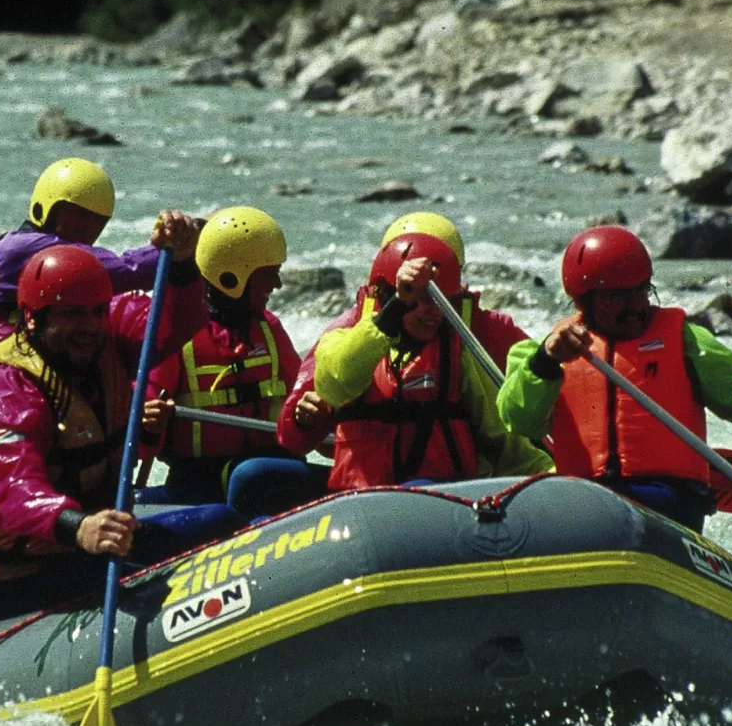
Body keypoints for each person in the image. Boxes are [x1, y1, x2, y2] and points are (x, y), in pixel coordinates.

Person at [0, 215, 248, 618]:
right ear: (33, 317)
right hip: (1, 569)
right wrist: (79, 526)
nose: (89, 327)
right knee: (148, 592)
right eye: (72, 315)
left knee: (221, 523)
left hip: (86, 541)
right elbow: (11, 488)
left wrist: (184, 262)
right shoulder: (4, 385)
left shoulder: (107, 343)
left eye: (98, 312)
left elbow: (175, 325)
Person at [496, 224, 732, 532]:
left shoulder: (687, 341)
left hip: (668, 500)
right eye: (616, 297)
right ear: (582, 301)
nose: (635, 307)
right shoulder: (547, 353)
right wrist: (545, 362)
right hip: (583, 500)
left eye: (641, 290)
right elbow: (518, 421)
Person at [0, 157, 165, 480]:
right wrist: (185, 250)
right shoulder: (27, 250)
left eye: (94, 223)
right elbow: (125, 270)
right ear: (45, 210)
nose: (83, 231)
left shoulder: (14, 245)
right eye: (74, 218)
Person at [278, 212, 530, 460]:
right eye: (417, 288)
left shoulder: (481, 328)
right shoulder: (349, 329)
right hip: (370, 480)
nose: (432, 308)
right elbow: (291, 435)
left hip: (458, 480)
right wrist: (308, 420)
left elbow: (509, 432)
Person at [312, 233, 553, 490]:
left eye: (444, 301)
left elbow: (507, 445)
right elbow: (336, 385)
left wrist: (557, 477)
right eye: (423, 298)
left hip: (440, 502)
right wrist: (396, 308)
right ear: (387, 295)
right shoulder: (339, 342)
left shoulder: (456, 356)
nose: (435, 311)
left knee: (423, 484)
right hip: (365, 504)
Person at [139, 206, 326, 518]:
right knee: (249, 477)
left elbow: (307, 408)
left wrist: (317, 416)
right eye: (268, 274)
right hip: (201, 484)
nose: (277, 284)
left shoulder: (269, 329)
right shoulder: (177, 335)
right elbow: (137, 445)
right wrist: (148, 423)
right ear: (232, 277)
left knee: (255, 476)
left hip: (274, 476)